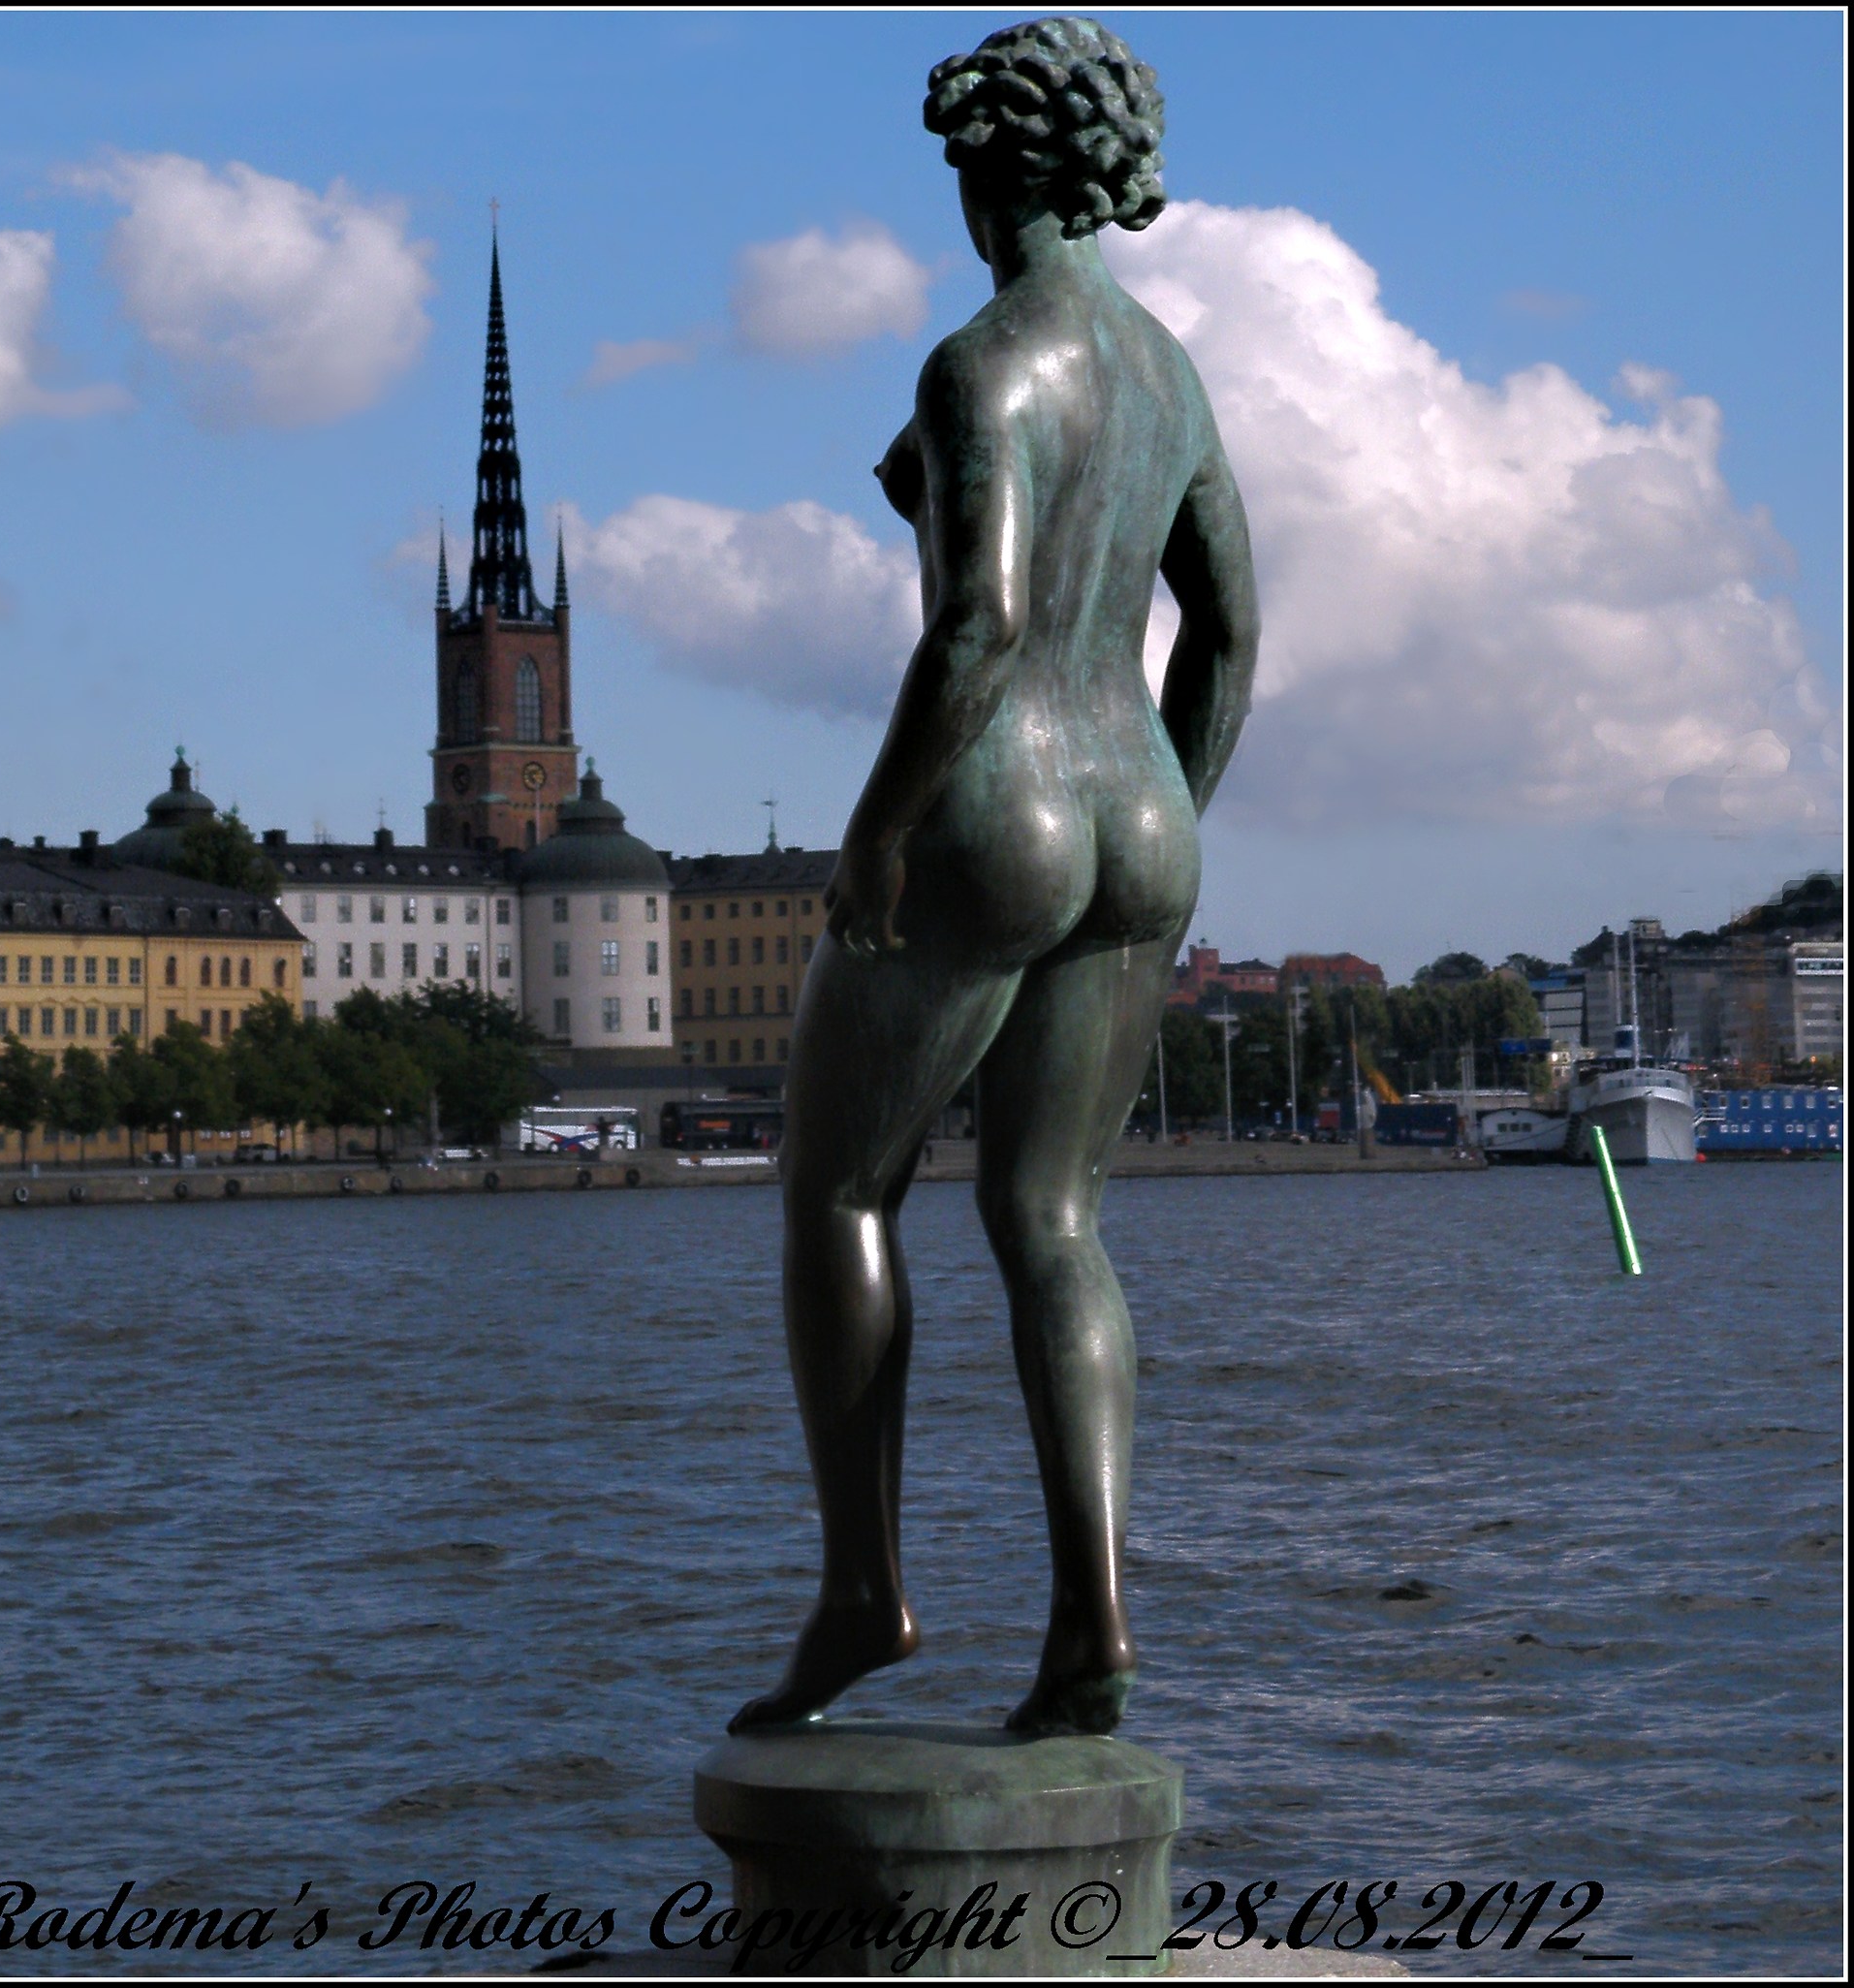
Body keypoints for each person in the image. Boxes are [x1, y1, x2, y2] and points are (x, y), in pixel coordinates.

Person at [733, 16, 1256, 1739]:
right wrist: (1173, 805)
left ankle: (863, 1594)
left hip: (997, 798)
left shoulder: (979, 365)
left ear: (996, 170)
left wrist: (881, 828)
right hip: (1141, 815)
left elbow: (980, 627)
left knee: (835, 1192)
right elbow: (1231, 633)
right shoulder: (1169, 374)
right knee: (1055, 1221)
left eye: (962, 166)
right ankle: (1094, 1618)